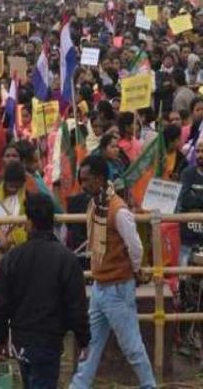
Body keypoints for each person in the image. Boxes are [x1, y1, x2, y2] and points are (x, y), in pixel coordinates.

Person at [70, 156, 156, 389]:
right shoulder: (98, 205)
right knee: (91, 344)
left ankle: (149, 386)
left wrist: (134, 270)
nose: (83, 185)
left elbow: (136, 247)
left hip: (116, 287)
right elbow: (135, 249)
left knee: (131, 346)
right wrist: (133, 270)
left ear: (99, 179)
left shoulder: (117, 210)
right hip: (102, 285)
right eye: (81, 180)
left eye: (86, 180)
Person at [0, 193, 89, 389]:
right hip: (50, 339)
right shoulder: (66, 259)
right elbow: (76, 305)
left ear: (29, 222)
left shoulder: (12, 258)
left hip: (21, 338)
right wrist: (83, 339)